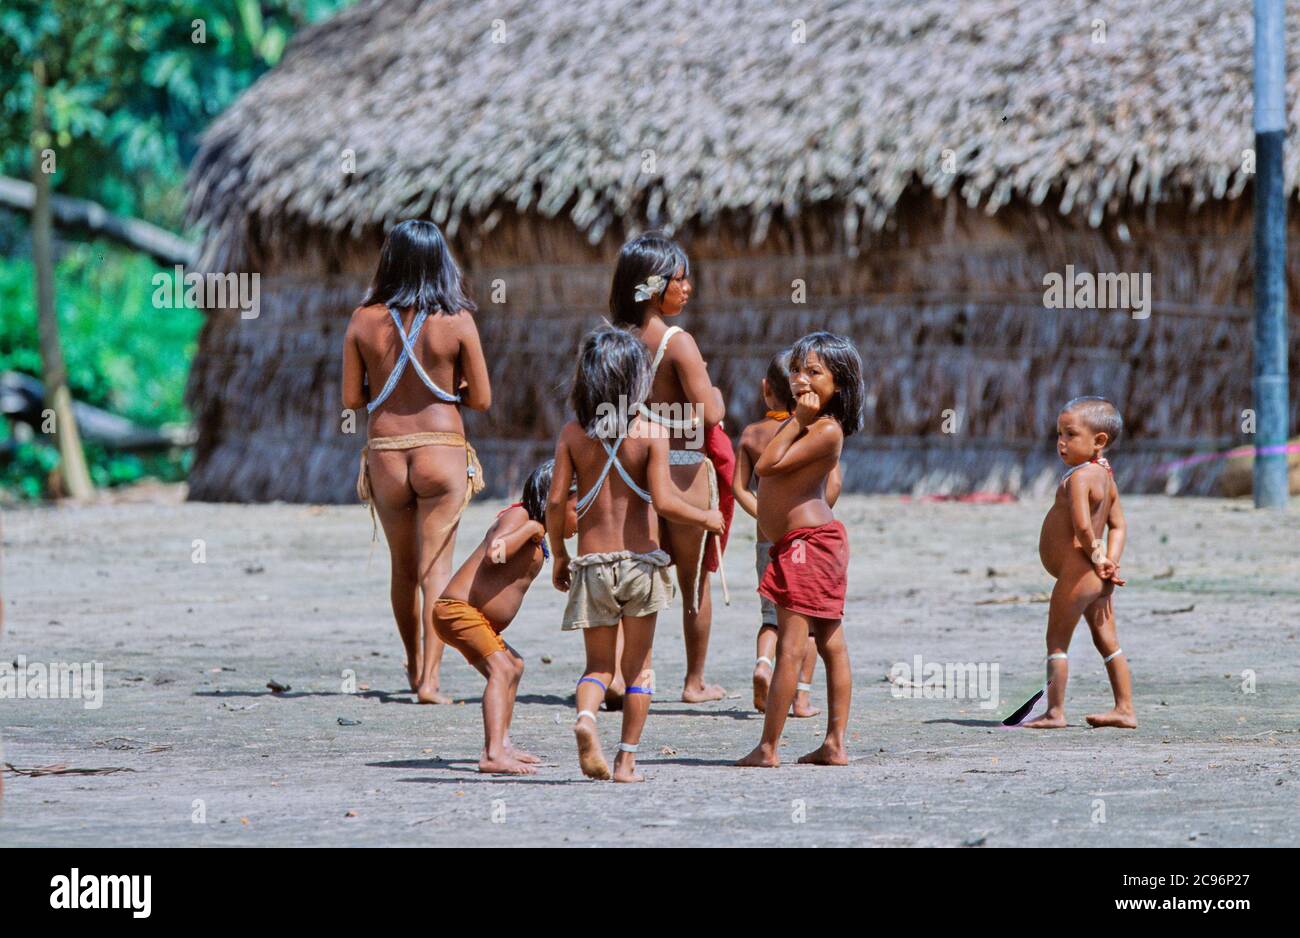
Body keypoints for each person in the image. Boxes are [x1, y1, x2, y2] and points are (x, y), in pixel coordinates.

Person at [547, 326, 724, 782]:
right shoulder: (651, 432)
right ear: (637, 382)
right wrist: (704, 518)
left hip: (591, 566)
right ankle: (626, 762)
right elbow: (664, 502)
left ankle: (586, 719)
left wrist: (560, 555)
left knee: (599, 667)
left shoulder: (572, 434)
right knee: (639, 668)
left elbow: (553, 503)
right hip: (641, 566)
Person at [342, 219, 490, 703]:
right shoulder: (458, 322)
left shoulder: (364, 319)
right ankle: (430, 680)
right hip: (442, 454)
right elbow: (483, 399)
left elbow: (350, 399)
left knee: (403, 569)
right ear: (441, 263)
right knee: (436, 570)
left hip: (386, 455)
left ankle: (410, 664)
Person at [609, 233, 734, 705]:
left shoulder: (615, 340)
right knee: (693, 582)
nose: (688, 287)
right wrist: (717, 396)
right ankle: (694, 681)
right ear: (653, 286)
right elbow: (710, 413)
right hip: (681, 466)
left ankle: (624, 676)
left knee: (634, 575)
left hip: (632, 472)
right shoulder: (677, 344)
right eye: (679, 279)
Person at [738, 332, 864, 768]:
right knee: (830, 642)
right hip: (807, 545)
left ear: (839, 385)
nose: (801, 380)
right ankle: (833, 743)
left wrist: (794, 421)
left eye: (814, 372)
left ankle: (769, 747)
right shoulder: (810, 426)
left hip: (807, 547)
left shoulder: (825, 429)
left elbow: (765, 467)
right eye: (796, 370)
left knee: (793, 646)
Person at [433, 460, 576, 774]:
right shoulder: (519, 516)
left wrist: (556, 564)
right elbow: (494, 553)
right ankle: (493, 754)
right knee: (501, 668)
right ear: (555, 500)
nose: (582, 516)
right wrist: (529, 529)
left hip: (476, 618)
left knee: (514, 665)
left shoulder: (539, 532)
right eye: (578, 507)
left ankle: (502, 743)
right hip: (457, 610)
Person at [733, 349, 841, 717]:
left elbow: (741, 487)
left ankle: (763, 664)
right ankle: (803, 696)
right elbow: (833, 485)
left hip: (772, 537)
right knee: (808, 629)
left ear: (766, 389)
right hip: (806, 537)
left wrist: (766, 517)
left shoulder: (753, 432)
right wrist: (811, 507)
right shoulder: (812, 429)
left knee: (771, 619)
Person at [1024, 396, 1134, 729]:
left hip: (1077, 574)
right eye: (1059, 434)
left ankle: (1055, 711)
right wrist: (1110, 563)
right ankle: (1125, 708)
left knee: (1057, 643)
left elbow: (1084, 526)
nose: (1061, 442)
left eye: (1070, 434)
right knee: (1109, 644)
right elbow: (1118, 525)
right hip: (1097, 575)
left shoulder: (1080, 478)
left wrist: (1098, 559)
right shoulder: (1107, 479)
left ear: (1099, 441)